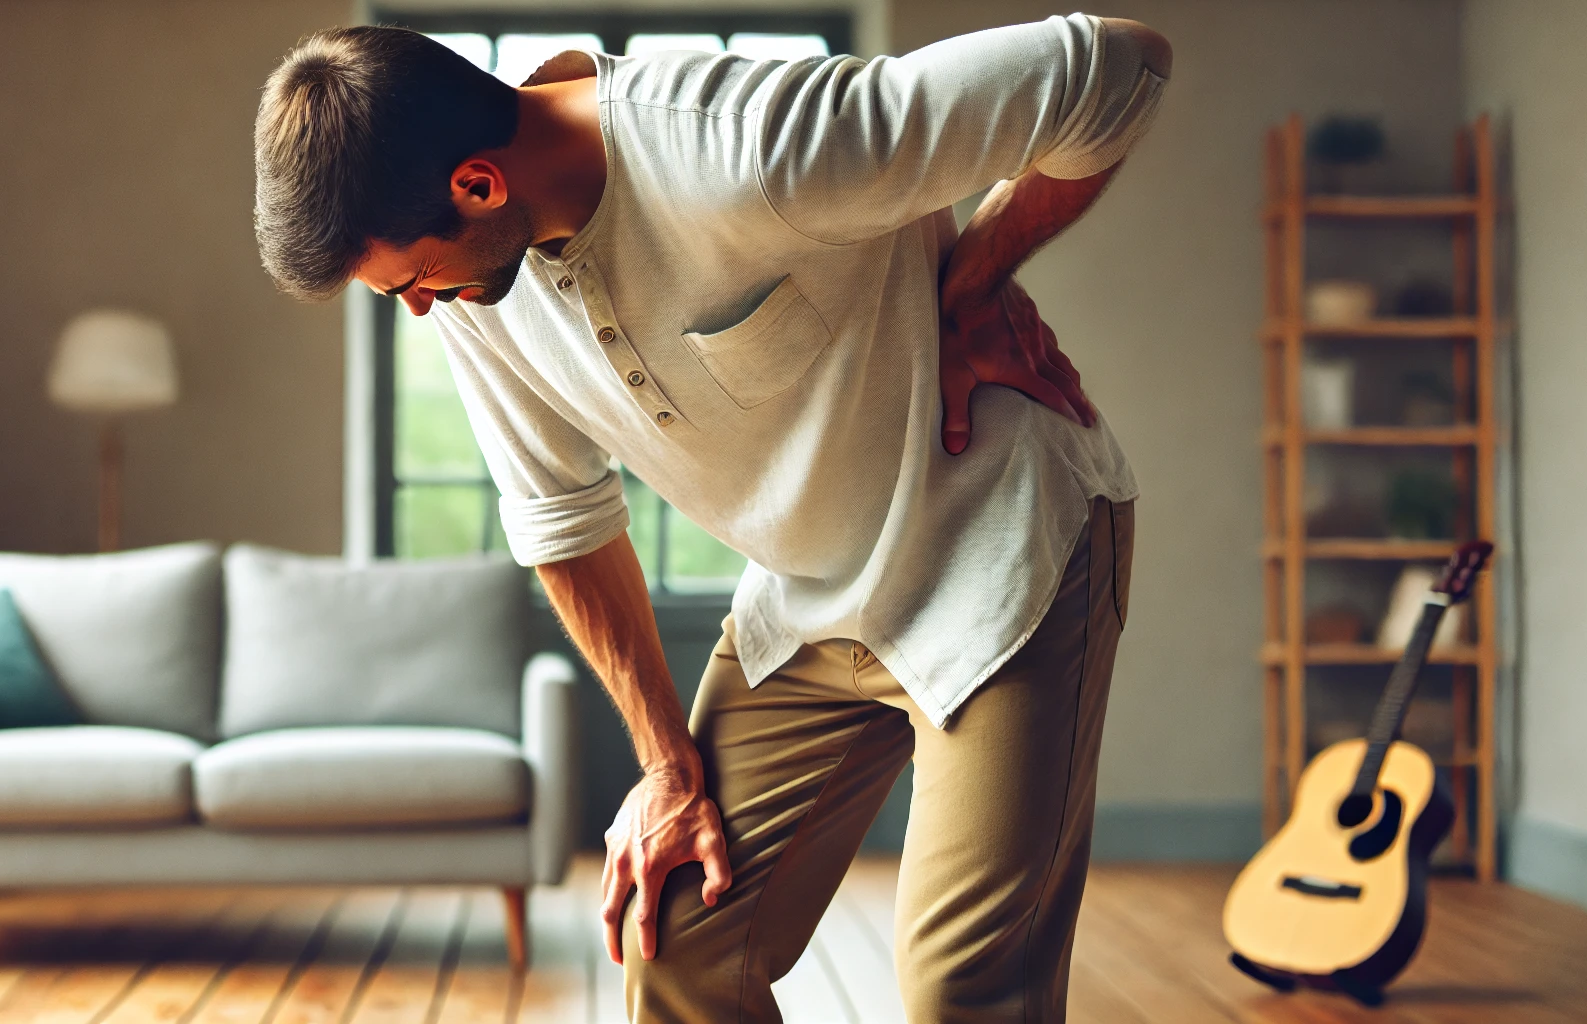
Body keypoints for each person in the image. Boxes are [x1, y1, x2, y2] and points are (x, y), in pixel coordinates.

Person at [254, 13, 1169, 1021]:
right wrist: (663, 770)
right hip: (807, 601)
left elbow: (1115, 66)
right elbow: (563, 514)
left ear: (477, 184)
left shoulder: (744, 143)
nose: (419, 309)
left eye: (412, 281)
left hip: (997, 560)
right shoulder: (483, 287)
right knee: (676, 936)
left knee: (964, 992)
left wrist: (972, 280)